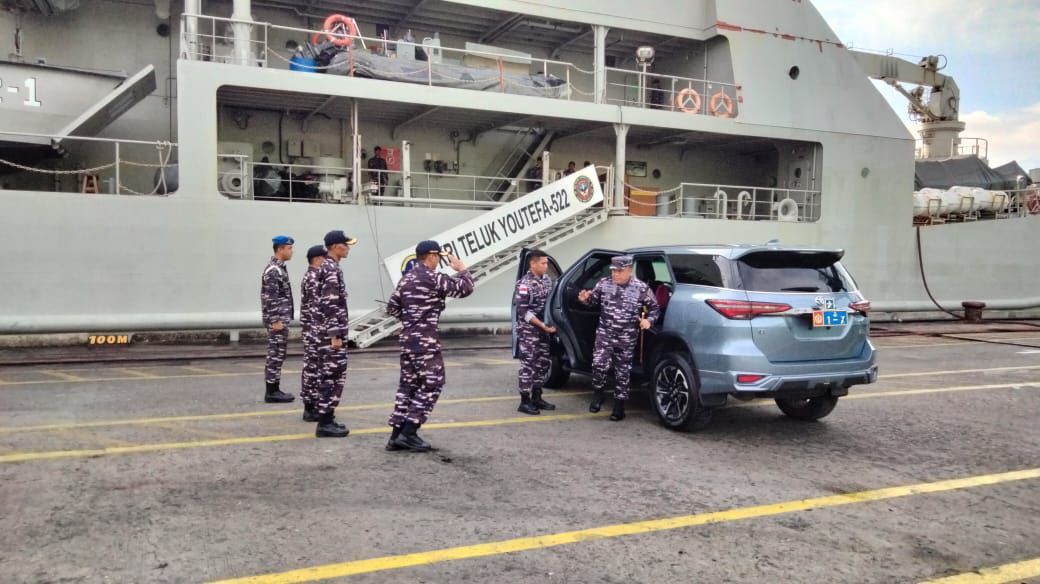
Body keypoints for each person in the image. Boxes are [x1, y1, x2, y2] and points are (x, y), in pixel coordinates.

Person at [385, 241, 474, 452]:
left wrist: (412, 319)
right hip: (425, 341)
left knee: (408, 387)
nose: (439, 261)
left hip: (408, 339)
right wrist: (462, 269)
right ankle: (409, 432)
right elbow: (465, 288)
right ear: (432, 256)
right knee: (433, 383)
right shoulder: (433, 278)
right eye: (439, 257)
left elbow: (392, 308)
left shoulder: (406, 279)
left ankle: (396, 436)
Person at [577, 255, 660, 421]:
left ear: (629, 270)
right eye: (613, 271)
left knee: (622, 372)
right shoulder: (604, 283)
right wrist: (585, 299)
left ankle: (619, 407)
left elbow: (655, 308)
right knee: (598, 365)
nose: (615, 274)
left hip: (626, 337)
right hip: (605, 334)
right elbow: (593, 301)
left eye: (619, 271)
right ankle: (598, 393)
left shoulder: (641, 288)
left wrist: (648, 321)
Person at [311, 230, 357, 438]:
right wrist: (334, 335)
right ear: (336, 246)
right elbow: (329, 304)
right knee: (331, 376)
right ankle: (324, 423)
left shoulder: (331, 267)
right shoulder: (330, 269)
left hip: (329, 331)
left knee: (332, 375)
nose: (348, 248)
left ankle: (327, 419)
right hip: (331, 334)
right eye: (346, 245)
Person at [513, 249, 557, 415]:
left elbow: (551, 303)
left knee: (542, 363)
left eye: (547, 263)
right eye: (543, 263)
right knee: (528, 365)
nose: (546, 266)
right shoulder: (524, 284)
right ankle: (524, 401)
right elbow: (523, 312)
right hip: (529, 330)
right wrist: (541, 325)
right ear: (533, 264)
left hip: (543, 329)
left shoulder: (547, 280)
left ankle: (537, 397)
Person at [261, 235, 296, 404]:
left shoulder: (279, 268)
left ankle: (275, 389)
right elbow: (271, 298)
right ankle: (271, 392)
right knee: (275, 355)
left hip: (281, 319)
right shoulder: (273, 270)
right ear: (280, 249)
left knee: (279, 355)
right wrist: (275, 320)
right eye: (289, 248)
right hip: (277, 321)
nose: (291, 251)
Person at [298, 244, 327, 422]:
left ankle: (313, 404)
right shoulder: (313, 278)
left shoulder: (314, 276)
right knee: (312, 368)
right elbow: (319, 307)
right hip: (314, 330)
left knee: (315, 367)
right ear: (317, 259)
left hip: (314, 329)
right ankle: (310, 407)